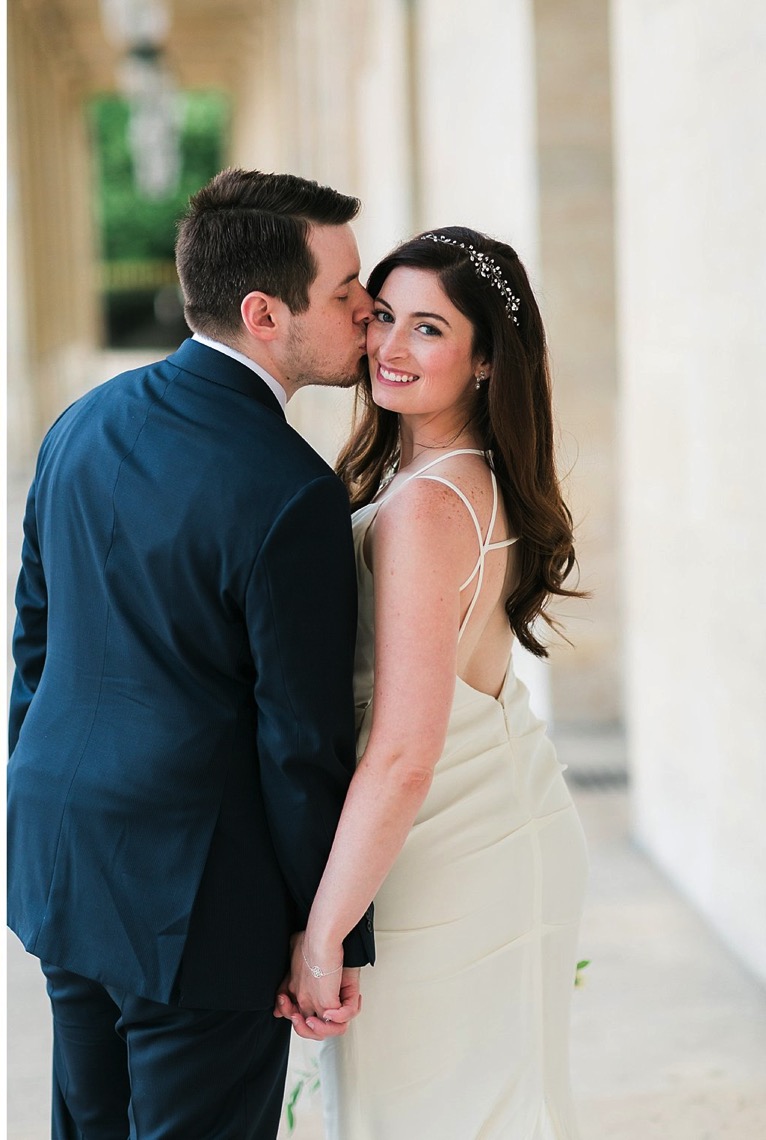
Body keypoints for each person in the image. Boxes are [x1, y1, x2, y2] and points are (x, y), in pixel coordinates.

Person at [8, 168, 377, 1139]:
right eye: (343, 293)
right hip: (194, 898)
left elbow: (33, 646)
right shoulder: (290, 491)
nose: (364, 310)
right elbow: (299, 742)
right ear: (264, 312)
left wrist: (43, 793)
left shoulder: (76, 428)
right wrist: (324, 932)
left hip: (61, 854)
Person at [275, 227, 588, 1137]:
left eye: (429, 329)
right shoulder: (471, 480)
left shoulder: (424, 510)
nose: (391, 348)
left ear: (486, 359)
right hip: (498, 824)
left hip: (443, 857)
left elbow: (406, 750)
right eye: (380, 318)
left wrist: (325, 932)